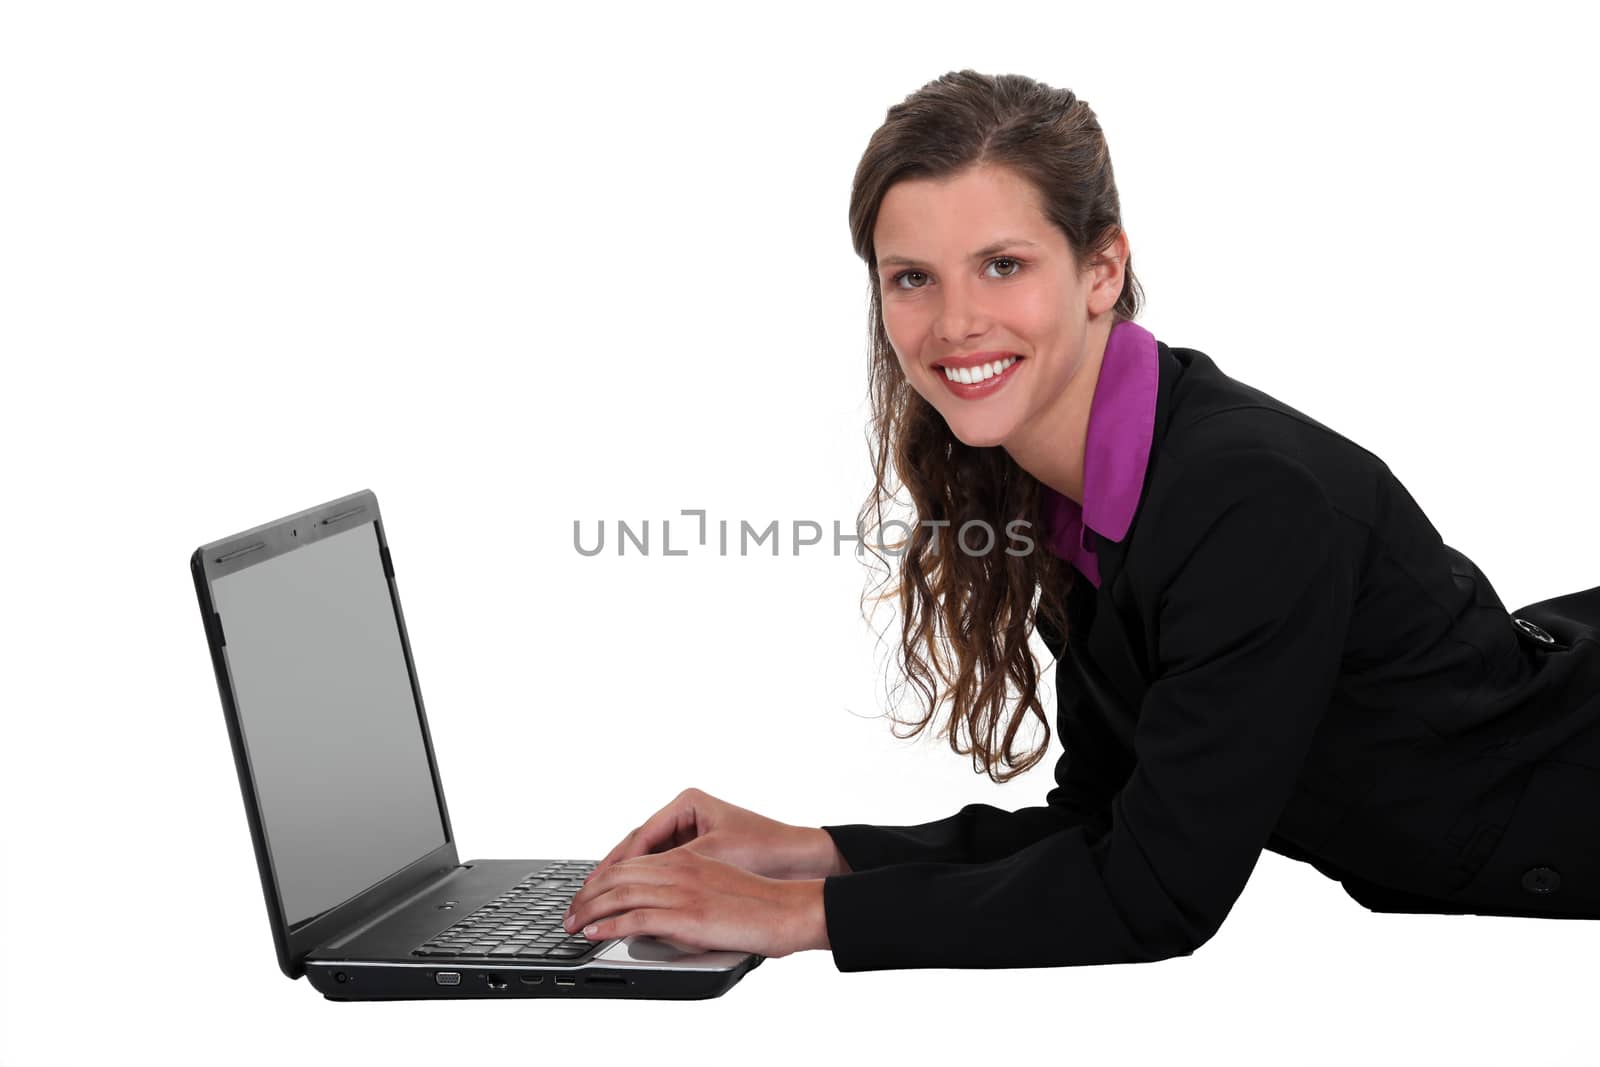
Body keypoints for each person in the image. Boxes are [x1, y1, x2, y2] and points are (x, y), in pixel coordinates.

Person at [561, 70, 1600, 972]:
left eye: (1002, 265)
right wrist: (812, 849)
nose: (955, 322)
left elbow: (1155, 896)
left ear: (1101, 270)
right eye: (912, 278)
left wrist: (797, 916)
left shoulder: (1246, 500)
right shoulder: (1061, 484)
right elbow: (1107, 825)